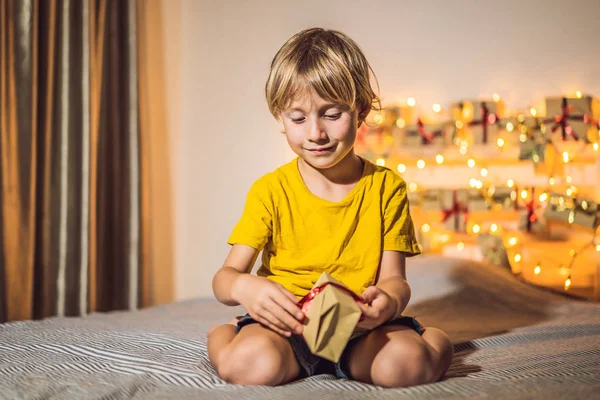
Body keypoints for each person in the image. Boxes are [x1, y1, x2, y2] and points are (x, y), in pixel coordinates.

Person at [207, 27, 453, 388]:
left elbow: (395, 280)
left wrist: (387, 301)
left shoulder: (387, 188)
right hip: (284, 328)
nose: (315, 133)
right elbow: (224, 279)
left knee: (406, 366)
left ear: (361, 111)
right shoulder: (270, 190)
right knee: (250, 366)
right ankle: (223, 335)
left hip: (359, 328)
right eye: (298, 118)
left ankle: (437, 341)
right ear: (280, 116)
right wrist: (245, 288)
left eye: (331, 114)